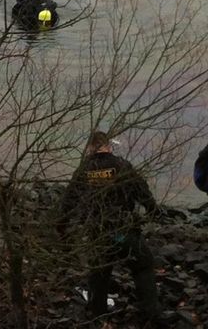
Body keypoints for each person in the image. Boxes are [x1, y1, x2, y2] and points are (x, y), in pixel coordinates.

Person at [57, 131, 171, 326]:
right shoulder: (122, 166)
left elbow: (69, 201)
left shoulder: (85, 169)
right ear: (108, 146)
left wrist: (62, 227)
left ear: (90, 147)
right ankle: (151, 313)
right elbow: (142, 192)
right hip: (124, 231)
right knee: (143, 265)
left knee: (99, 273)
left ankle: (98, 316)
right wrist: (155, 212)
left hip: (98, 234)